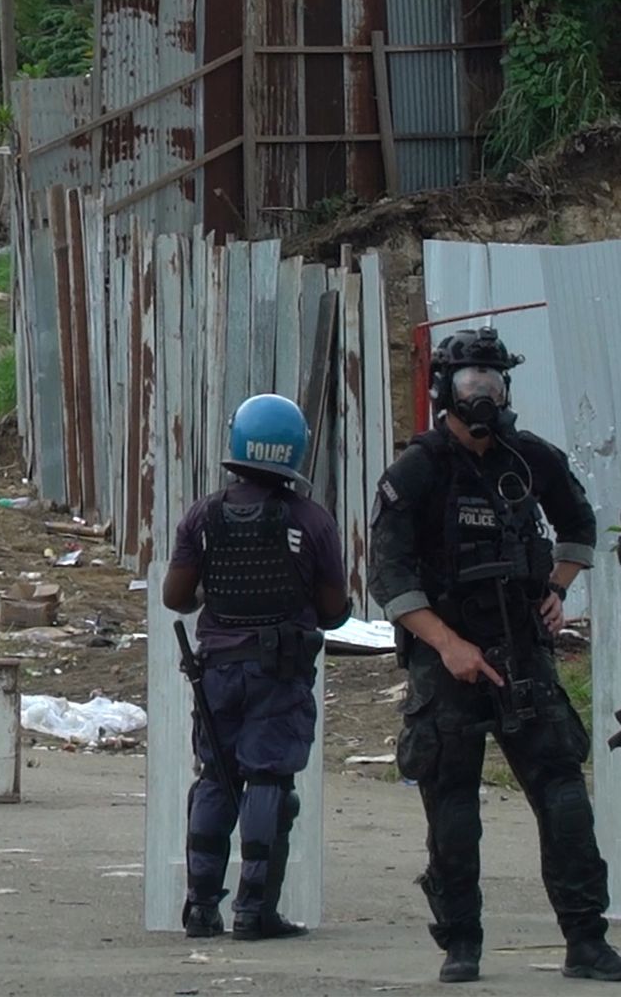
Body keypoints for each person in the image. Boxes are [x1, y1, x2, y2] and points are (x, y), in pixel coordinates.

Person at [368, 327, 621, 985]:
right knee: (452, 805)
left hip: (522, 655)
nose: (482, 394)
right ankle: (462, 944)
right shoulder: (416, 469)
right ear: (443, 392)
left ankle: (587, 940)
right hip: (447, 664)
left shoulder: (527, 457)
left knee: (564, 795)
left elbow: (580, 525)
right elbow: (389, 579)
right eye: (469, 383)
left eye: (492, 381)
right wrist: (448, 647)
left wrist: (558, 590)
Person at [163, 394, 350, 942]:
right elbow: (336, 610)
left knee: (217, 778)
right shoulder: (312, 520)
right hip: (280, 673)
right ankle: (254, 911)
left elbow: (178, 598)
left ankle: (200, 909)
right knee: (269, 780)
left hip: (216, 670)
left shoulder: (202, 515)